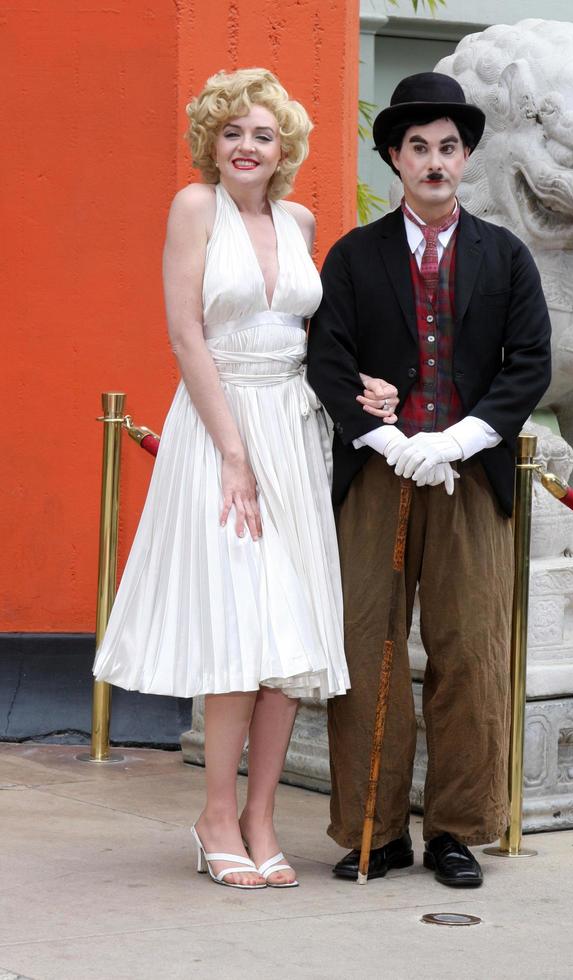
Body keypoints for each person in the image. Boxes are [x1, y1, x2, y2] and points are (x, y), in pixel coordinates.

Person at [93, 68, 398, 890]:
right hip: (219, 430)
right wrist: (231, 452)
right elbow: (187, 334)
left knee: (288, 631)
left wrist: (360, 386)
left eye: (262, 134)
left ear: (284, 147)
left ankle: (262, 820)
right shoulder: (195, 209)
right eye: (232, 132)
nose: (246, 146)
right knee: (238, 625)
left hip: (294, 435)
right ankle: (215, 816)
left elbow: (315, 340)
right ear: (211, 142)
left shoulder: (299, 220)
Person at [307, 72, 551, 887]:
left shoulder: (506, 256)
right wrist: (386, 439)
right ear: (394, 160)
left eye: (449, 147)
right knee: (366, 647)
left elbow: (530, 367)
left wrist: (459, 439)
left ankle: (455, 828)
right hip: (379, 477)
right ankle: (373, 831)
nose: (436, 161)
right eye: (419, 148)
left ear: (467, 157)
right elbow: (328, 361)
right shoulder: (354, 255)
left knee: (470, 649)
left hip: (471, 475)